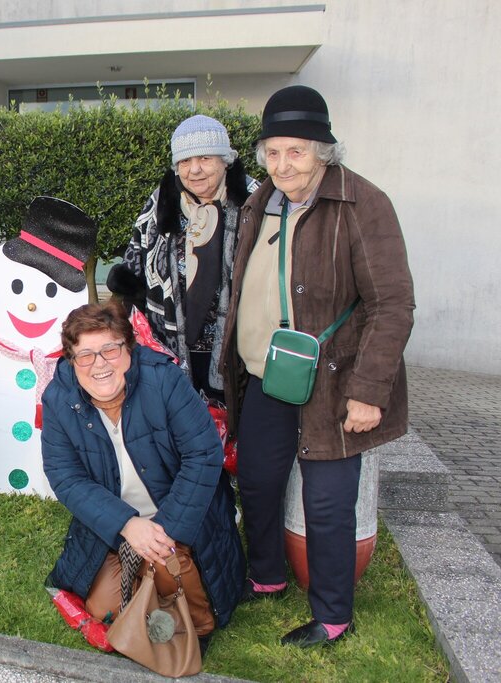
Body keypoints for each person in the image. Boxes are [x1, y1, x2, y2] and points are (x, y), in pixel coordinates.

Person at [221, 85, 415, 647]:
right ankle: (267, 575)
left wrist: (369, 390)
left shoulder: (362, 203)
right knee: (257, 478)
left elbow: (392, 304)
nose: (283, 164)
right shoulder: (261, 200)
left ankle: (333, 615)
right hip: (269, 375)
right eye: (273, 152)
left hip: (335, 382)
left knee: (327, 500)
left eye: (296, 151)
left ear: (323, 152)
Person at [41, 300, 244, 648]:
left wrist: (165, 529)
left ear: (129, 348)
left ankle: (185, 607)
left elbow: (204, 454)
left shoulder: (164, 380)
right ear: (71, 360)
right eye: (85, 355)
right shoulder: (58, 398)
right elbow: (65, 475)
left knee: (168, 567)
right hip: (118, 524)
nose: (99, 364)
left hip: (178, 514)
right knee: (103, 608)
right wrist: (127, 525)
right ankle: (147, 581)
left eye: (110, 349)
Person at [107, 115, 259, 400]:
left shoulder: (254, 202)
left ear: (226, 160)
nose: (195, 170)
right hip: (170, 346)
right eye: (185, 161)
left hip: (240, 350)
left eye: (205, 158)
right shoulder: (160, 203)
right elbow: (135, 263)